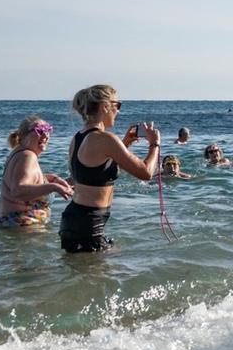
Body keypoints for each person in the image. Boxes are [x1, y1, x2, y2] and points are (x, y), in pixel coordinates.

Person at [62, 85, 161, 253]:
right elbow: (146, 173)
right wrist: (154, 144)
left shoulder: (78, 138)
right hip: (89, 224)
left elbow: (91, 172)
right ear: (105, 107)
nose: (118, 111)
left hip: (75, 219)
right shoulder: (106, 138)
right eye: (118, 105)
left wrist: (125, 144)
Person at [0, 117, 72, 228]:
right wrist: (53, 187)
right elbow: (18, 190)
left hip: (8, 221)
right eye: (39, 131)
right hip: (20, 224)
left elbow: (21, 179)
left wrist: (49, 178)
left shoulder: (19, 152)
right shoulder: (27, 156)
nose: (45, 135)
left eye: (48, 131)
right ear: (24, 136)